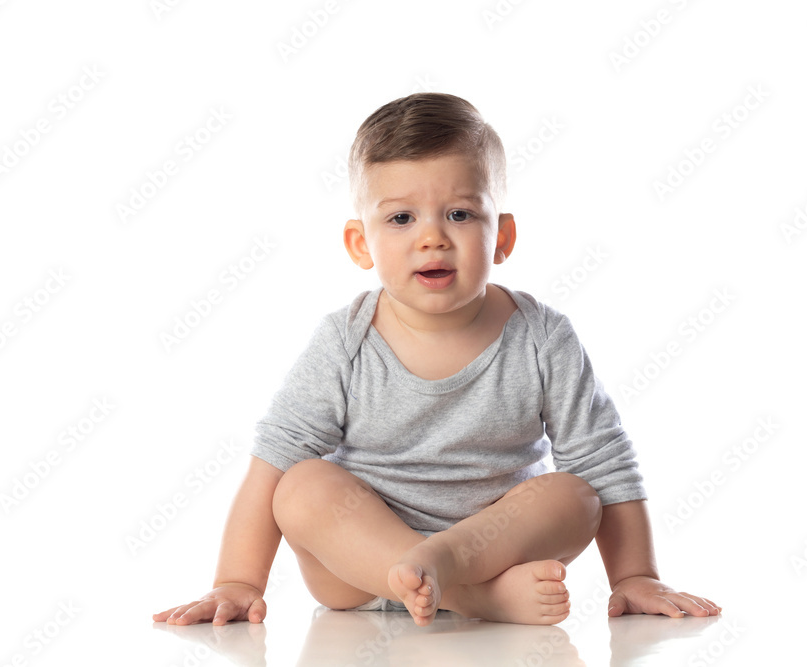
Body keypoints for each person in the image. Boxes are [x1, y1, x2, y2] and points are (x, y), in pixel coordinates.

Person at [153, 92, 720, 628]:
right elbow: (271, 461)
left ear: (503, 235)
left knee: (576, 494)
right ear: (360, 243)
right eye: (402, 219)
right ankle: (476, 598)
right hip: (357, 571)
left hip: (492, 547)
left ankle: (450, 569)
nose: (432, 239)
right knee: (299, 484)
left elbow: (602, 456)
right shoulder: (345, 341)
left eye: (459, 215)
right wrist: (236, 582)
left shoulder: (542, 336)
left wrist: (636, 575)